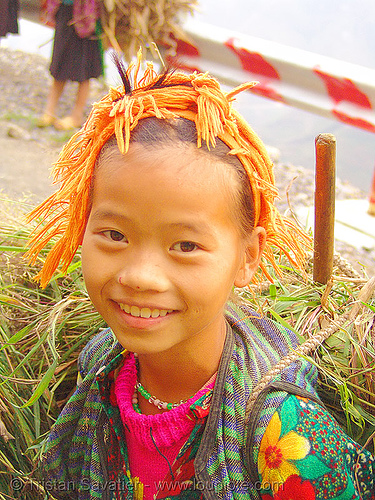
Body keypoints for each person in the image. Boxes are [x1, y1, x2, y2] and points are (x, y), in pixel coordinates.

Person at [25, 55, 374, 499]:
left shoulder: (285, 436)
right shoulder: (101, 364)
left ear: (247, 257)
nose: (141, 276)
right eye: (114, 234)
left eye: (185, 246)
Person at [37, 0, 103, 130]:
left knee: (84, 68)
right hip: (65, 9)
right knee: (59, 62)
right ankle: (49, 111)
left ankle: (76, 116)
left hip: (86, 16)